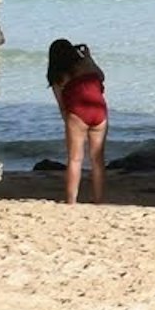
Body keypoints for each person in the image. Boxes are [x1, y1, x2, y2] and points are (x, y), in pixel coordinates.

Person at [47, 37, 110, 202]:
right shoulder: (86, 65)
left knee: (75, 159)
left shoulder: (58, 77)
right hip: (99, 110)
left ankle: (71, 200)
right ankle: (99, 198)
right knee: (97, 159)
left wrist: (67, 121)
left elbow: (62, 104)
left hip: (77, 113)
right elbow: (101, 77)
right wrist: (89, 57)